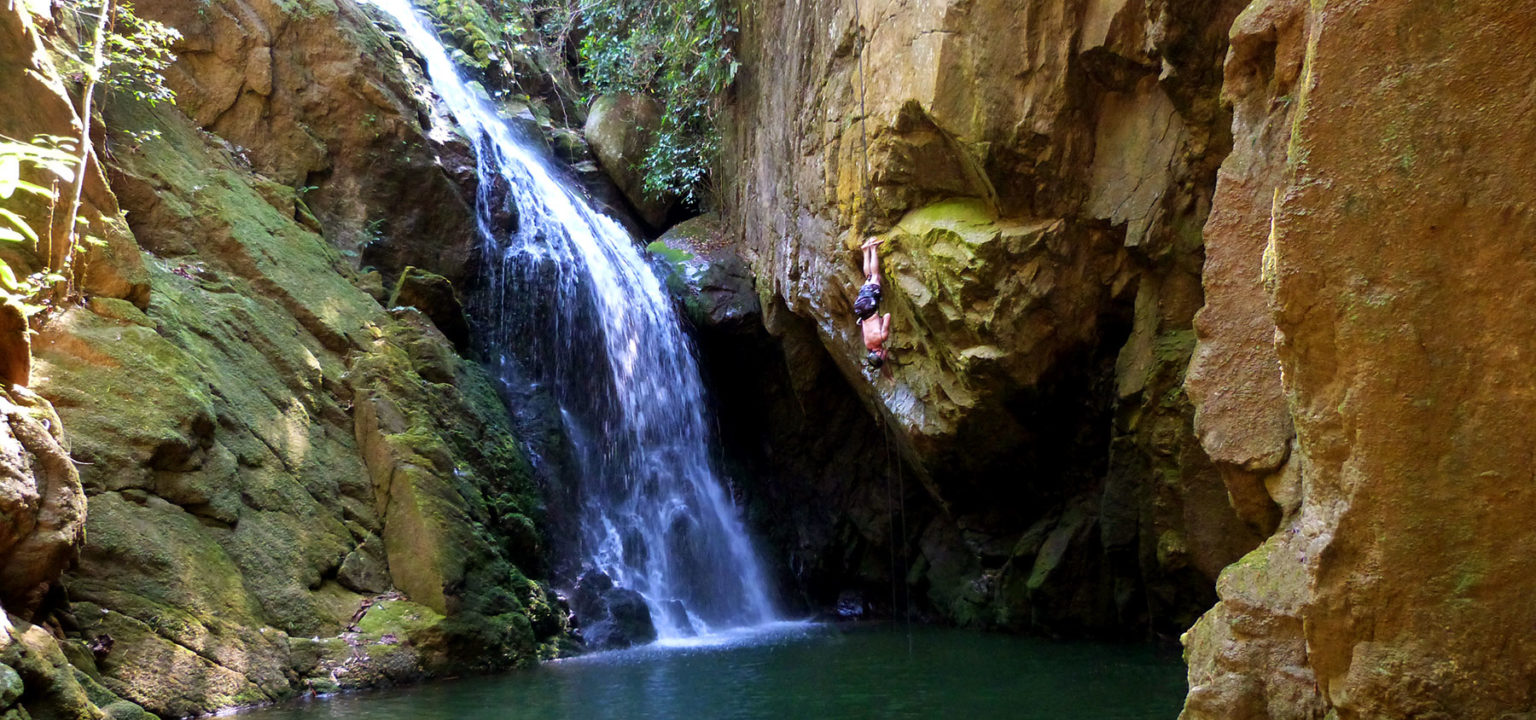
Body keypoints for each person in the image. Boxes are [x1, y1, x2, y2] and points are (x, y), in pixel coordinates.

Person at [854, 237, 892, 368]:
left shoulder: (882, 338)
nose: (885, 356)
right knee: (869, 278)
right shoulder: (868, 345)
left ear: (880, 354)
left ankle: (873, 248)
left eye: (883, 357)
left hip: (869, 307)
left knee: (875, 277)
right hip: (860, 309)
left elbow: (887, 316)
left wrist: (882, 322)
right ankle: (865, 250)